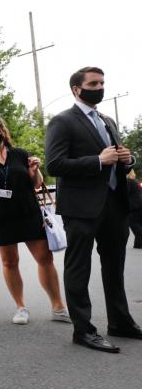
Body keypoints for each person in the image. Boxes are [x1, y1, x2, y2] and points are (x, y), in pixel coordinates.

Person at [45, 66, 140, 352]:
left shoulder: (107, 120)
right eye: (94, 83)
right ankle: (83, 330)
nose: (99, 87)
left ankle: (120, 322)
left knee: (114, 266)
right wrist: (98, 160)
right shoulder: (62, 122)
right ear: (77, 88)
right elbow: (55, 165)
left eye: (102, 82)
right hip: (81, 208)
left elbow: (116, 158)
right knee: (79, 268)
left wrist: (128, 159)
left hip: (114, 204)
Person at [0, 115, 68, 325]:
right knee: (10, 262)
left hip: (27, 212)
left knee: (44, 259)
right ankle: (21, 307)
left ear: (3, 131)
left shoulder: (19, 154)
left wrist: (35, 169)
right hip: (0, 218)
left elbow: (36, 184)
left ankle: (58, 306)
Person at [127, 171, 142, 249]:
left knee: (133, 223)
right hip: (140, 205)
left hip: (134, 206)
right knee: (139, 223)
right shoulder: (136, 182)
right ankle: (138, 244)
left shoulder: (128, 182)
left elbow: (125, 195)